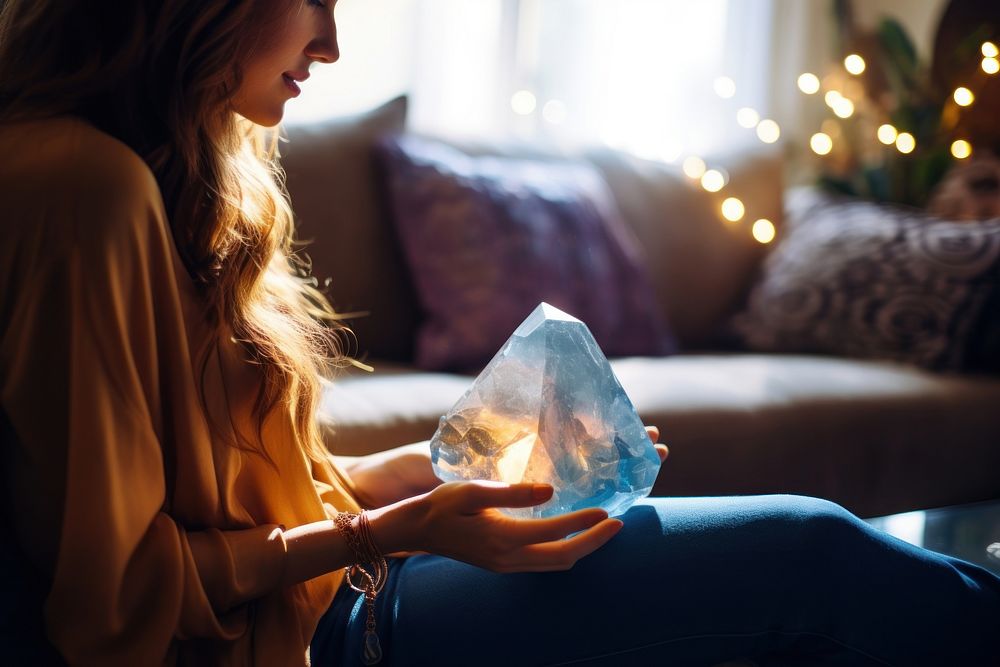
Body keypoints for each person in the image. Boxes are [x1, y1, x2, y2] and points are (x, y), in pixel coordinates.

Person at [0, 1, 997, 665]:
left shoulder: (162, 171)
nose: (332, 45)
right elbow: (114, 595)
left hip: (329, 588)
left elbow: (222, 494)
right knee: (808, 549)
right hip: (301, 635)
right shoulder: (81, 188)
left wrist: (441, 471)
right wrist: (389, 532)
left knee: (818, 550)